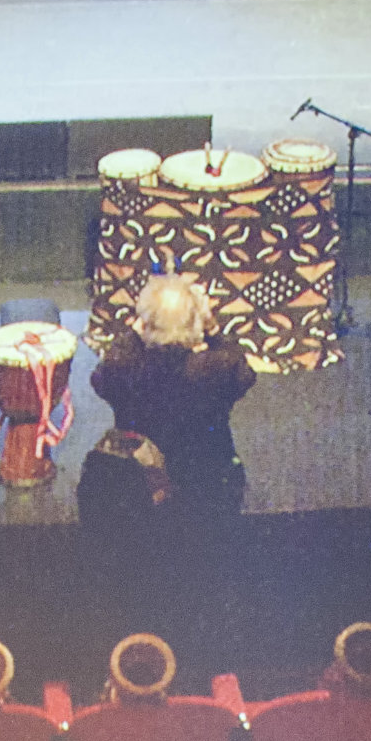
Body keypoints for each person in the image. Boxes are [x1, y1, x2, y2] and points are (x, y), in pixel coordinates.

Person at [84, 274, 257, 659]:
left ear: (145, 325)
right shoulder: (219, 366)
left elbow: (100, 380)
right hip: (207, 480)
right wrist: (211, 328)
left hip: (139, 488)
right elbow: (245, 375)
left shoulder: (124, 365)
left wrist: (137, 332)